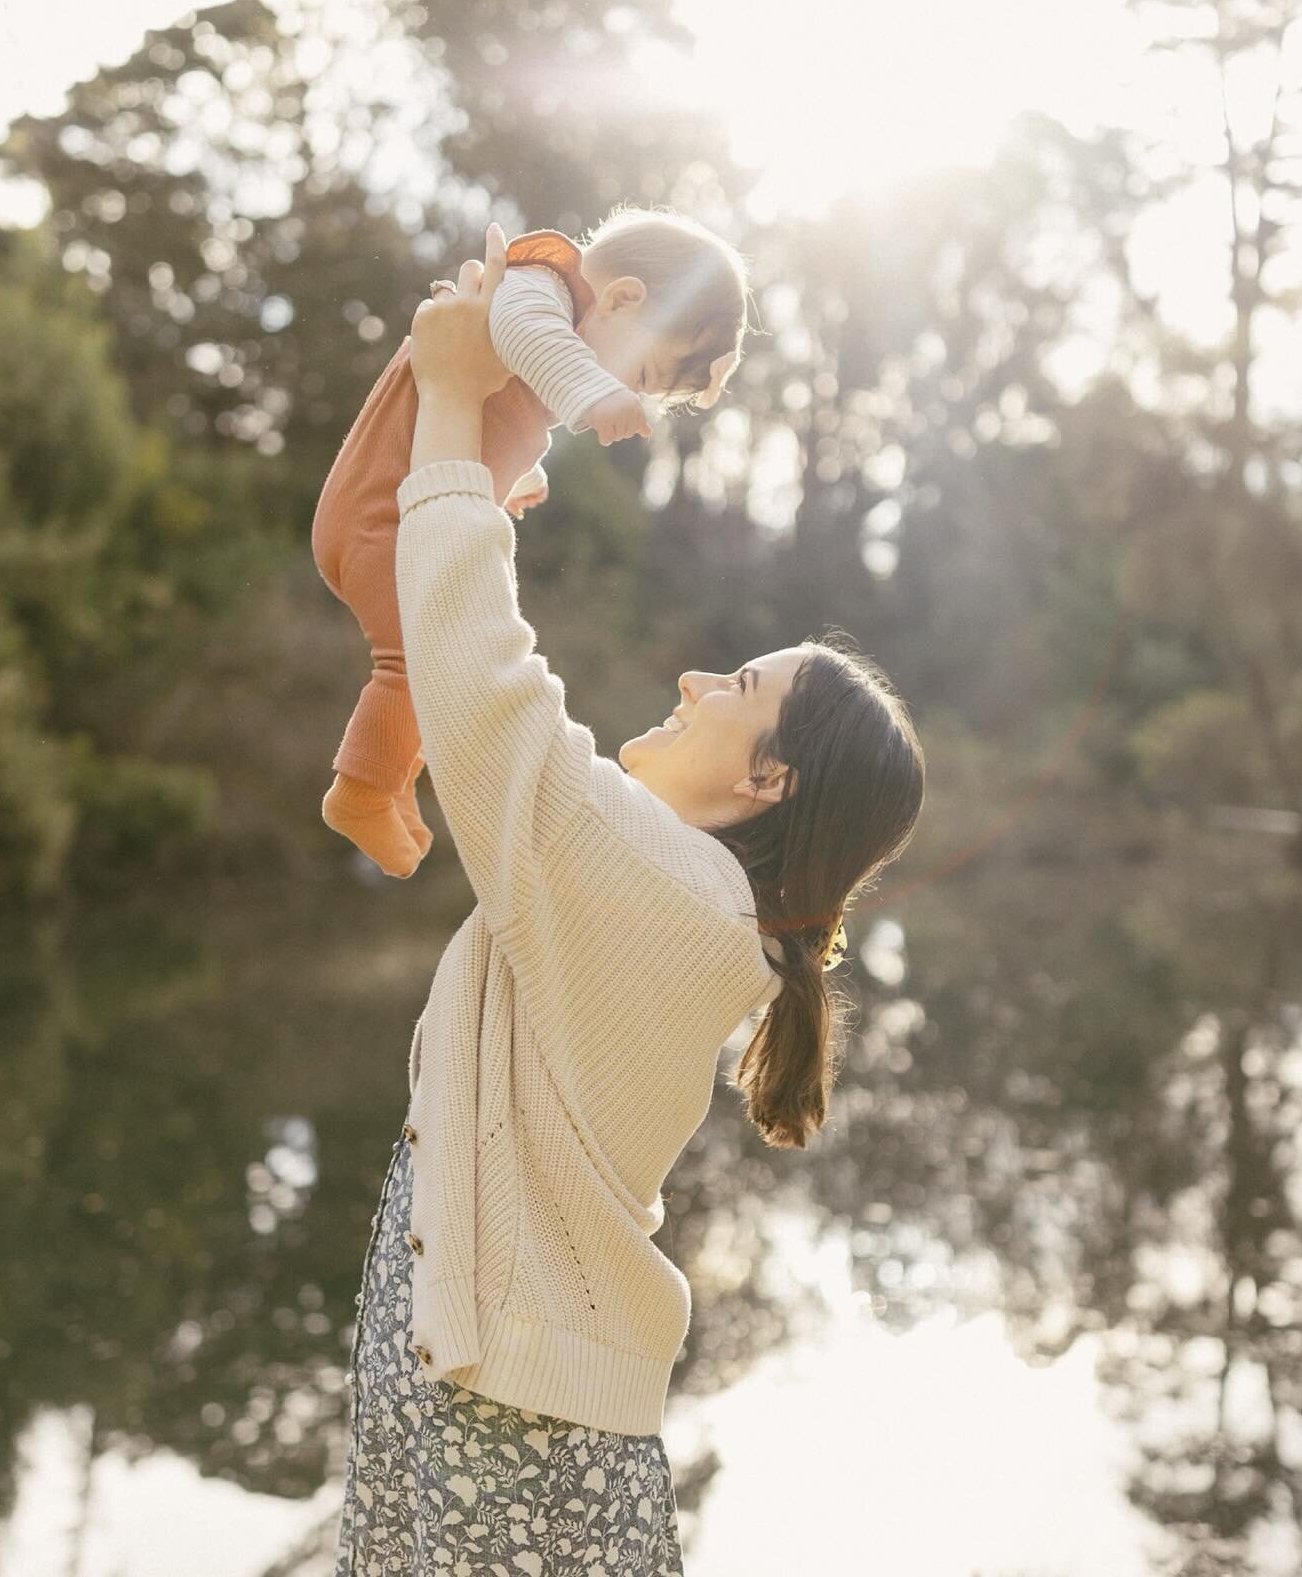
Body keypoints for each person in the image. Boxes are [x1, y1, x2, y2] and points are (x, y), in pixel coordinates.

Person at [332, 226, 926, 1576]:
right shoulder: (677, 888)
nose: (697, 682)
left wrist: (442, 404)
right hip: (489, 1385)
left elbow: (485, 685)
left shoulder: (660, 890)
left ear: (771, 777)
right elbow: (497, 704)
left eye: (741, 688)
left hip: (514, 1418)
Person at [311, 205, 748, 879]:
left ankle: (392, 775)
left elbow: (479, 410)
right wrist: (594, 394)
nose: (636, 396)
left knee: (443, 658)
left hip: (398, 518)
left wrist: (514, 476)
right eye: (644, 376)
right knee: (416, 659)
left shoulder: (549, 320)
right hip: (378, 523)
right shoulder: (536, 285)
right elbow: (527, 337)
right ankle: (361, 791)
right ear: (621, 297)